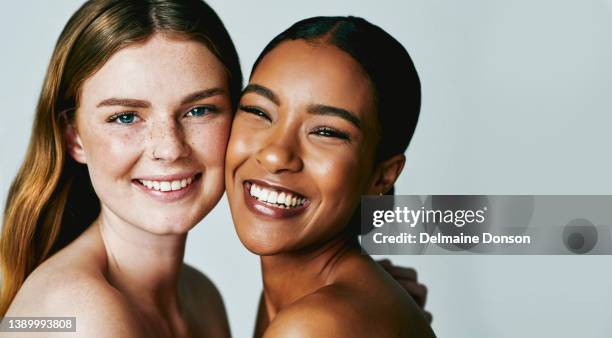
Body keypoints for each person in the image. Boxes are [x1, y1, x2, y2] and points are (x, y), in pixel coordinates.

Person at [1, 1, 430, 337]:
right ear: (74, 137)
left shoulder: (201, 298)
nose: (168, 149)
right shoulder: (80, 316)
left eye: (199, 110)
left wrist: (358, 302)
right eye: (126, 117)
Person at [224, 16, 435, 337]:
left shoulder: (312, 325)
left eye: (326, 132)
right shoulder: (296, 300)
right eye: (259, 111)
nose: (275, 154)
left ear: (382, 176)